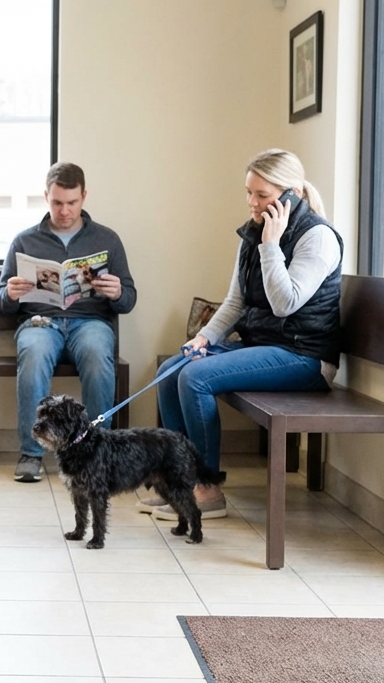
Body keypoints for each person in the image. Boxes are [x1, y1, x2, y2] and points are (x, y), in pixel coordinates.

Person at [149, 148, 343, 520]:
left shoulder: (317, 238)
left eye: (262, 195)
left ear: (291, 195)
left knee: (195, 378)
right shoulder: (251, 235)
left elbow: (286, 303)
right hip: (265, 346)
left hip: (305, 356)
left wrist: (271, 245)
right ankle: (179, 481)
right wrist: (204, 337)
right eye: (249, 193)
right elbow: (235, 302)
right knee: (172, 369)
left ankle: (206, 489)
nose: (252, 203)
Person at [0, 162, 137, 483]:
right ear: (46, 197)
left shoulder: (107, 239)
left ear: (84, 196)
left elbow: (128, 299)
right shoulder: (25, 241)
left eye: (71, 203)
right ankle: (31, 453)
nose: (64, 211)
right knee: (32, 355)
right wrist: (12, 293)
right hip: (40, 321)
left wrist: (116, 291)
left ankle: (98, 452)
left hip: (90, 321)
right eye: (57, 203)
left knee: (99, 355)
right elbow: (1, 300)